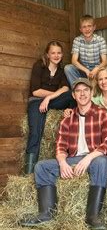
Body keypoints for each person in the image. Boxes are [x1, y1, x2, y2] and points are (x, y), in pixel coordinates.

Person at [20, 78, 107, 230]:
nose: (82, 93)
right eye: (78, 91)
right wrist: (63, 162)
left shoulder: (104, 114)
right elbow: (60, 146)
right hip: (74, 160)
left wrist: (88, 158)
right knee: (41, 167)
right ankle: (46, 214)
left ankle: (92, 217)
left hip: (95, 158)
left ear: (91, 93)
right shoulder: (67, 120)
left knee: (103, 161)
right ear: (73, 95)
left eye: (86, 90)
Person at [25, 40, 76, 174]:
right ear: (47, 54)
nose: (56, 55)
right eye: (53, 53)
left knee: (73, 94)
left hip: (51, 101)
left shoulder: (61, 70)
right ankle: (29, 173)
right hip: (36, 102)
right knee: (35, 132)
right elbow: (36, 91)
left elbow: (66, 88)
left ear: (62, 54)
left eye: (59, 53)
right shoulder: (39, 66)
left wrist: (49, 98)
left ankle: (70, 110)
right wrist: (52, 95)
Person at [64, 14, 107, 88]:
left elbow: (105, 61)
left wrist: (96, 69)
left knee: (106, 71)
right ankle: (77, 89)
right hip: (83, 69)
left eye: (89, 26)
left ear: (94, 27)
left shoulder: (100, 40)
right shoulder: (77, 40)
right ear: (80, 29)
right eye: (84, 27)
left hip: (97, 69)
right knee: (68, 68)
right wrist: (86, 70)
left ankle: (96, 89)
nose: (87, 29)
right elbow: (74, 61)